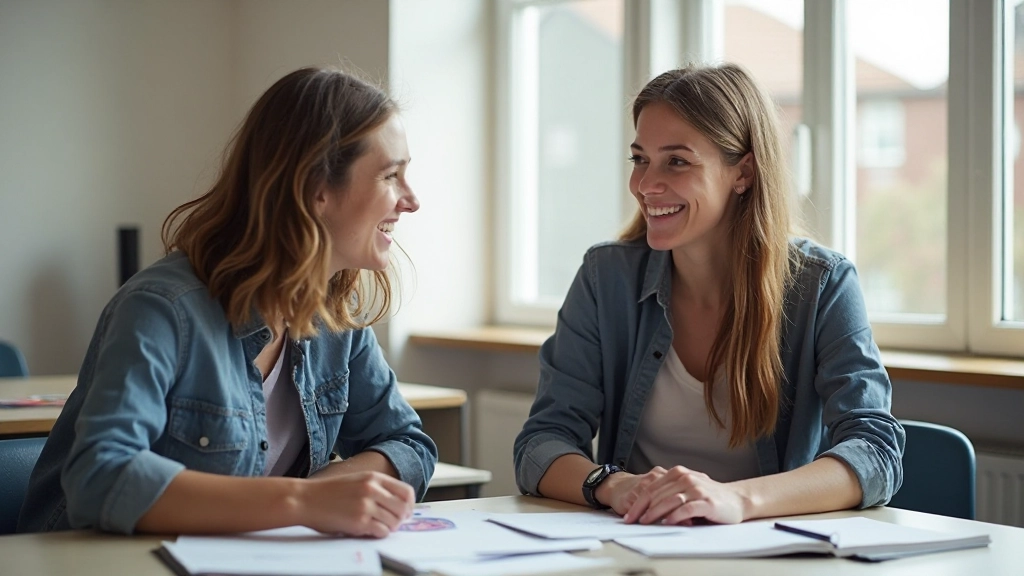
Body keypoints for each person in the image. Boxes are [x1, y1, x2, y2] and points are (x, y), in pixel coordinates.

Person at [19, 67, 437, 537]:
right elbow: (101, 477)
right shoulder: (160, 308)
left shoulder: (336, 318)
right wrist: (301, 501)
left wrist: (327, 492)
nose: (411, 200)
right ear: (317, 189)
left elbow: (408, 444)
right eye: (391, 175)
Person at [514, 63, 904, 526]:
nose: (646, 184)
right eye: (640, 159)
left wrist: (735, 501)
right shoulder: (606, 278)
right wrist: (618, 486)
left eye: (676, 161)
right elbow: (541, 443)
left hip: (766, 549)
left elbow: (875, 451)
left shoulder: (822, 284)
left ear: (743, 172)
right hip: (639, 541)